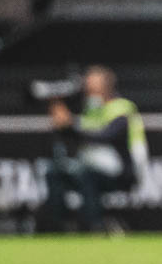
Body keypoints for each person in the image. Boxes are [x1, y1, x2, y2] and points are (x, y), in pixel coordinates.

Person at [38, 66, 148, 233]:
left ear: (106, 86)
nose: (87, 89)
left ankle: (92, 227)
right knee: (54, 173)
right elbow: (76, 134)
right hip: (92, 167)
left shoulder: (122, 108)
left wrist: (72, 125)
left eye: (91, 86)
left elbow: (106, 136)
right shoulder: (92, 109)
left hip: (122, 171)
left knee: (87, 176)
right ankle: (57, 228)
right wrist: (61, 117)